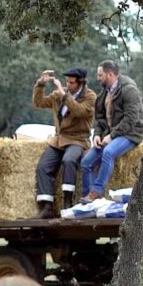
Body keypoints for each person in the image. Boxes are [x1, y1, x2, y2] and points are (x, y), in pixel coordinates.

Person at [32, 67, 97, 218]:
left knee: (69, 160)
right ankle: (47, 206)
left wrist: (64, 96)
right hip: (59, 139)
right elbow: (38, 103)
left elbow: (80, 111)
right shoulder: (59, 94)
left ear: (81, 83)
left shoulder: (90, 96)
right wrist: (40, 85)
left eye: (71, 82)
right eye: (67, 81)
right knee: (43, 166)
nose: (68, 84)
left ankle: (68, 203)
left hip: (78, 139)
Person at [79, 60, 143, 203]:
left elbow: (131, 119)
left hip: (131, 133)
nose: (98, 78)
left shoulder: (129, 90)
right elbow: (100, 119)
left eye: (100, 75)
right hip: (111, 135)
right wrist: (97, 134)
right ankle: (88, 199)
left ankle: (96, 191)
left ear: (110, 74)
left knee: (108, 152)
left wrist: (112, 136)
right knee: (86, 162)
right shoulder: (104, 94)